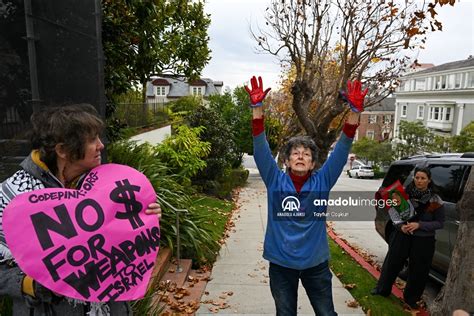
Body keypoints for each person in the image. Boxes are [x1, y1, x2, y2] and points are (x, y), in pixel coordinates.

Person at [0, 103, 161, 316]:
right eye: (92, 139)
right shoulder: (13, 197)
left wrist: (144, 218)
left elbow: (121, 243)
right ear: (63, 150)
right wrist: (30, 284)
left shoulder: (105, 185)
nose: (101, 145)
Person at [245, 76, 368, 316]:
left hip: (316, 265)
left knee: (326, 314)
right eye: (295, 153)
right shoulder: (275, 180)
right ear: (288, 160)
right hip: (281, 265)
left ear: (312, 164)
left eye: (306, 154)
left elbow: (342, 150)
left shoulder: (322, 181)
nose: (300, 156)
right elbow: (260, 149)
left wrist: (354, 114)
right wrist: (257, 110)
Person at [371, 167, 445, 309]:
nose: (419, 181)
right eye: (417, 178)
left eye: (423, 178)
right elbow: (394, 213)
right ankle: (381, 289)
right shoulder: (403, 194)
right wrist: (400, 226)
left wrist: (419, 225)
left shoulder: (435, 200)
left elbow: (439, 223)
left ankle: (411, 299)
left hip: (424, 240)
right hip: (402, 236)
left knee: (419, 270)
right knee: (392, 263)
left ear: (429, 180)